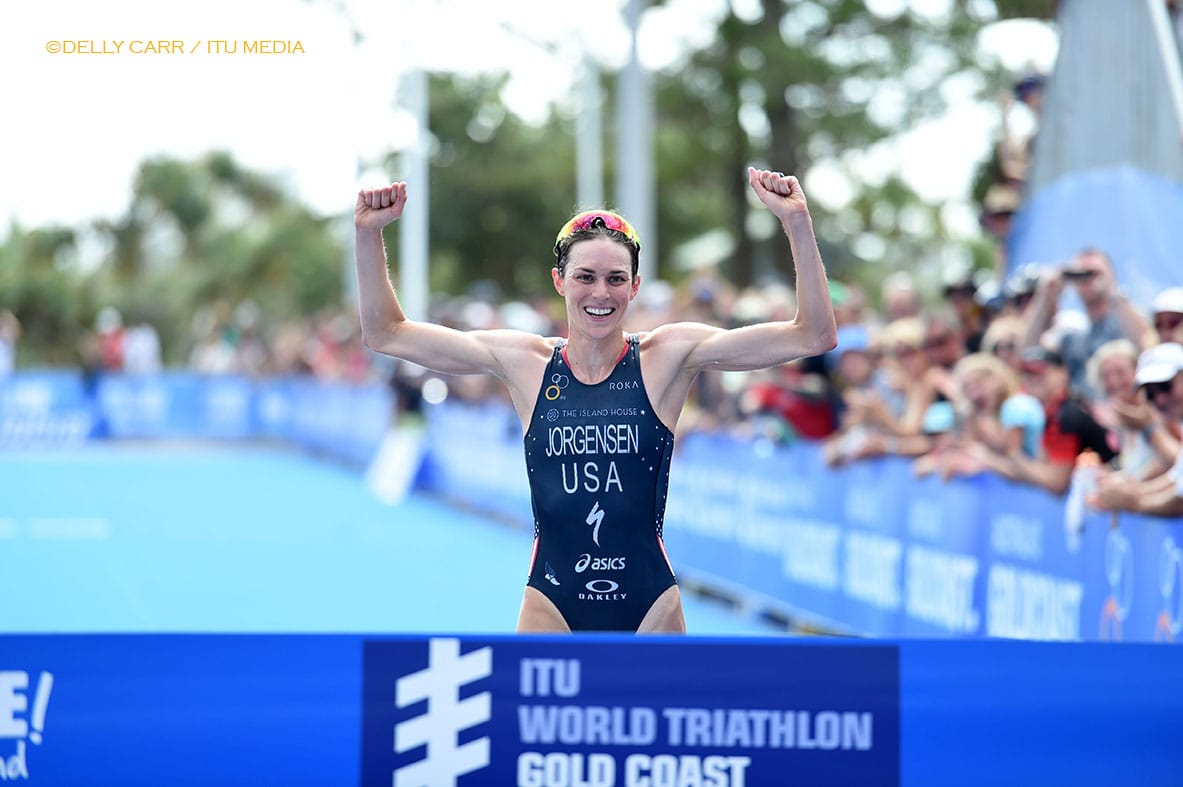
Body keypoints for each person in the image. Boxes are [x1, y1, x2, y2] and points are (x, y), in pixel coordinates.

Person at [353, 169, 837, 633]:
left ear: (636, 286)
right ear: (559, 281)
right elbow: (386, 332)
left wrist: (796, 220)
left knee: (657, 722)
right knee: (539, 723)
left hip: (649, 602)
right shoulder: (525, 361)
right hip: (551, 602)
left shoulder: (667, 356)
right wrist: (369, 234)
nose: (600, 293)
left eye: (615, 279)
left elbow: (813, 334)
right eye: (585, 277)